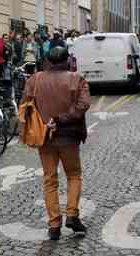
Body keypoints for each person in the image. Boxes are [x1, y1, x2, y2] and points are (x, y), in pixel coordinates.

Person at [23, 47, 91, 241]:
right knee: (74, 175)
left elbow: (25, 103)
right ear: (67, 60)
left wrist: (43, 119)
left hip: (44, 136)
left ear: (48, 61)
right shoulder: (77, 79)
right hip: (69, 136)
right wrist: (60, 118)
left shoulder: (35, 79)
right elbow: (83, 105)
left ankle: (54, 225)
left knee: (50, 179)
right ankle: (72, 214)